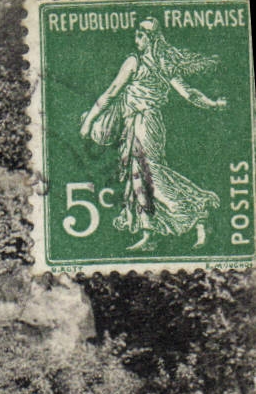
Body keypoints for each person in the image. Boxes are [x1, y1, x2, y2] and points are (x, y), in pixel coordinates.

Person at [80, 17, 227, 250]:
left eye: (140, 35)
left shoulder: (134, 61)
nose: (136, 39)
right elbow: (189, 93)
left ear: (151, 39)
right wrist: (213, 104)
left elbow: (111, 92)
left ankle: (195, 210)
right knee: (138, 174)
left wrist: (88, 121)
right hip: (146, 124)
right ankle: (150, 231)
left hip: (143, 123)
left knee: (149, 174)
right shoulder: (164, 64)